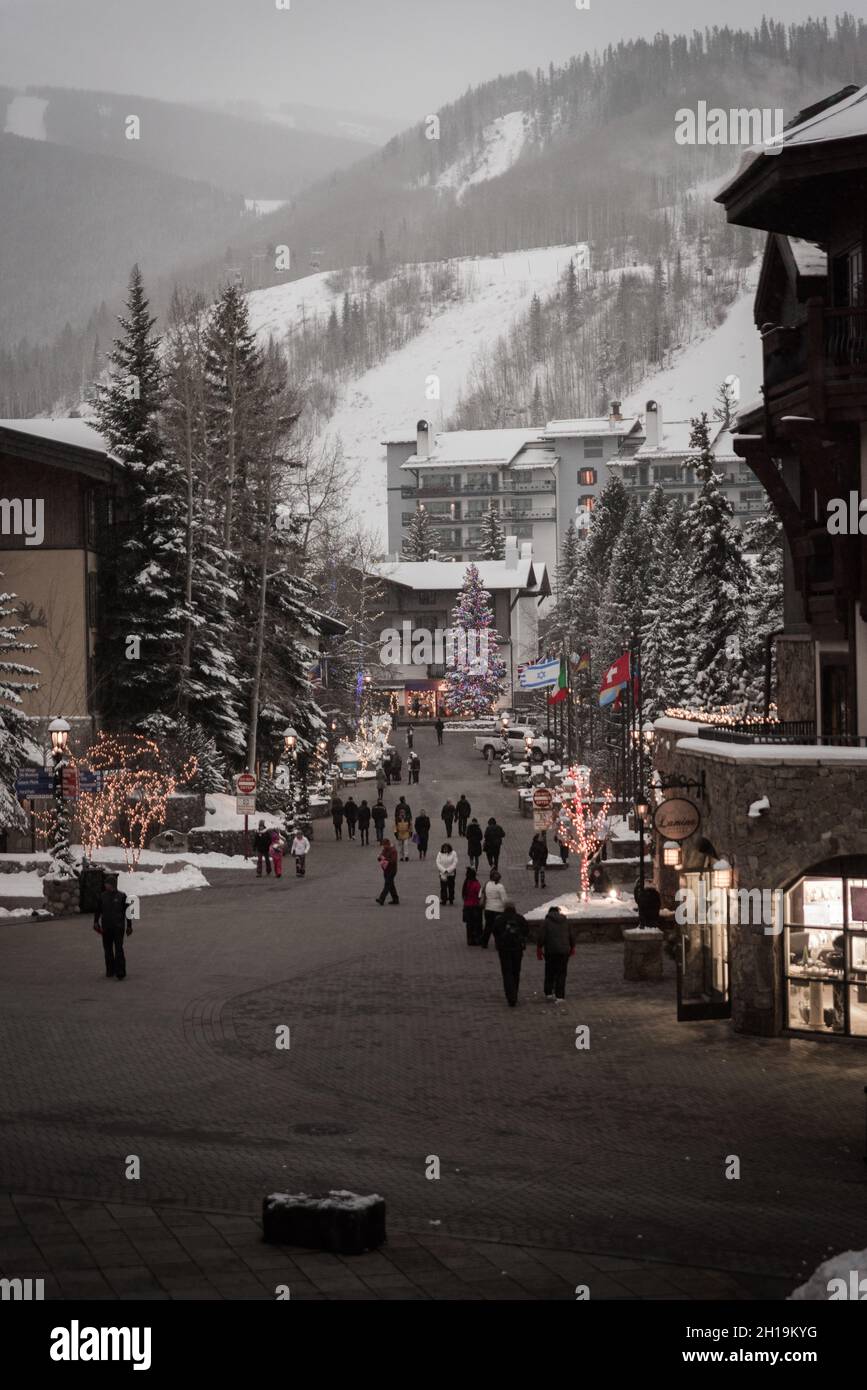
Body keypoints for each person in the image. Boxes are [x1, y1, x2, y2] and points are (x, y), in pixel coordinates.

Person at [93, 874, 132, 980]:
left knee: (119, 949)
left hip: (118, 927)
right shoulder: (102, 896)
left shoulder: (122, 896)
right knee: (108, 949)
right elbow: (98, 910)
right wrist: (96, 922)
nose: (105, 885)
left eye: (107, 884)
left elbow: (128, 912)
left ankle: (120, 971)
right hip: (106, 927)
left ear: (112, 885)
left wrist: (129, 926)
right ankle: (110, 970)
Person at [536, 905, 577, 1002]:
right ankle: (560, 995)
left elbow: (541, 936)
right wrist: (572, 946)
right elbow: (572, 935)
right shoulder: (566, 922)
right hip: (564, 951)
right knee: (562, 973)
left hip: (551, 951)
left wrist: (539, 947)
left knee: (550, 971)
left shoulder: (546, 922)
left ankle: (549, 992)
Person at [493, 901, 530, 1006]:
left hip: (504, 949)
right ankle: (515, 993)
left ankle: (510, 995)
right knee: (516, 972)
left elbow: (495, 932)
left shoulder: (500, 919)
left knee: (507, 972)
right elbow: (526, 931)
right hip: (517, 949)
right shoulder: (519, 918)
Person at [480, 869, 508, 948]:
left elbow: (481, 894)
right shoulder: (500, 887)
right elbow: (504, 899)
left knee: (488, 926)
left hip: (488, 908)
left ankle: (484, 942)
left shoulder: (487, 884)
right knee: (498, 927)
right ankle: (498, 943)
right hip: (498, 910)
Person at [462, 867, 483, 946]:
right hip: (475, 906)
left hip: (467, 906)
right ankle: (476, 939)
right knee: (476, 924)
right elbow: (480, 896)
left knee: (469, 924)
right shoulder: (476, 884)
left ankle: (470, 939)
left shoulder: (466, 883)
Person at [376, 838, 399, 904]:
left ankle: (381, 898)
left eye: (384, 845)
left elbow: (393, 861)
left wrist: (385, 859)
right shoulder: (384, 850)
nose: (384, 847)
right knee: (391, 885)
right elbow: (381, 856)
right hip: (386, 869)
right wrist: (379, 858)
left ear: (388, 844)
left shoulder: (393, 850)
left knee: (387, 884)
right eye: (383, 845)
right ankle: (395, 899)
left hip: (392, 870)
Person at [394, 797, 413, 861]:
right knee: (400, 846)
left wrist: (410, 832)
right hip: (399, 833)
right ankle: (401, 857)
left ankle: (406, 856)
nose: (402, 813)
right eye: (401, 812)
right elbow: (395, 826)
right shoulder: (398, 819)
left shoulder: (398, 807)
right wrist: (395, 833)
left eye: (403, 812)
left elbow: (410, 826)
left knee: (405, 845)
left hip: (406, 833)